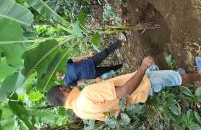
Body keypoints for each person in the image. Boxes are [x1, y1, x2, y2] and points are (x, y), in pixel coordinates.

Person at [47, 56, 201, 121]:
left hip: (139, 96)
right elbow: (125, 91)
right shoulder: (86, 94)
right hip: (143, 84)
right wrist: (142, 66)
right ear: (63, 89)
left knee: (160, 74)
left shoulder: (80, 112)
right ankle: (198, 75)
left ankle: (175, 74)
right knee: (175, 78)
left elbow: (111, 114)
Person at [56, 39, 125, 87]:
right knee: (109, 69)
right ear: (57, 78)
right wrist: (95, 80)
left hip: (90, 62)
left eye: (56, 72)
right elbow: (82, 82)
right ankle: (122, 65)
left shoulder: (64, 64)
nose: (57, 74)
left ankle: (119, 42)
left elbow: (77, 59)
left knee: (104, 53)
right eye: (56, 75)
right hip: (92, 74)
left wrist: (88, 55)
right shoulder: (67, 82)